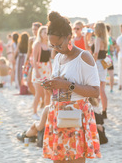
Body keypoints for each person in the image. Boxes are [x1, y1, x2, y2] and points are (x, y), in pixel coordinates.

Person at [42, 11, 101, 162]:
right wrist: (51, 86)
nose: (56, 48)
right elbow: (58, 87)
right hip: (57, 113)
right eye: (52, 45)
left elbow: (95, 91)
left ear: (69, 37)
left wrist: (68, 85)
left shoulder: (84, 57)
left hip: (76, 114)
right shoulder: (58, 58)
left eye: (58, 44)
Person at [32, 26, 52, 120]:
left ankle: (46, 111)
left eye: (47, 32)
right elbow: (34, 59)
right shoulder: (37, 44)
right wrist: (36, 71)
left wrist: (52, 71)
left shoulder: (48, 44)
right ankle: (34, 112)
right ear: (40, 34)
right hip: (39, 69)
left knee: (48, 93)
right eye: (44, 32)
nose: (46, 34)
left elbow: (49, 59)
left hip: (47, 69)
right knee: (38, 93)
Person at [93, 22, 109, 119]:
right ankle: (104, 110)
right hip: (104, 63)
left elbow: (96, 53)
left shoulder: (98, 39)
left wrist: (92, 63)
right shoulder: (105, 39)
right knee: (102, 88)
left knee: (98, 88)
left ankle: (97, 110)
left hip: (98, 63)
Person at [24, 22, 42, 95]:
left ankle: (40, 99)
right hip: (31, 63)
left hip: (40, 63)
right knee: (29, 82)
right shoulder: (31, 39)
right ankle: (37, 97)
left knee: (40, 83)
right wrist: (25, 63)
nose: (34, 31)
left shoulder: (42, 39)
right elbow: (28, 52)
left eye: (36, 29)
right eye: (33, 29)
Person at [106, 24, 116, 93]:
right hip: (109, 58)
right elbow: (112, 49)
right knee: (111, 74)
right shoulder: (110, 39)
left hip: (101, 58)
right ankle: (111, 89)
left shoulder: (98, 38)